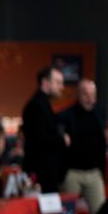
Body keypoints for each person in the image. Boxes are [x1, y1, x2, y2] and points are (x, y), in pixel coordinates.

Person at [56, 79, 107, 210]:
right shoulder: (65, 115)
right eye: (86, 94)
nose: (90, 99)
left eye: (93, 95)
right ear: (78, 95)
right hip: (72, 173)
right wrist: (61, 135)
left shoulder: (99, 113)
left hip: (94, 173)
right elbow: (53, 129)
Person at [21, 66, 68, 194]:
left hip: (43, 173)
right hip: (42, 175)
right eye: (58, 82)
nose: (61, 87)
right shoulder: (37, 105)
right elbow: (40, 138)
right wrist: (62, 139)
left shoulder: (41, 104)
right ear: (45, 83)